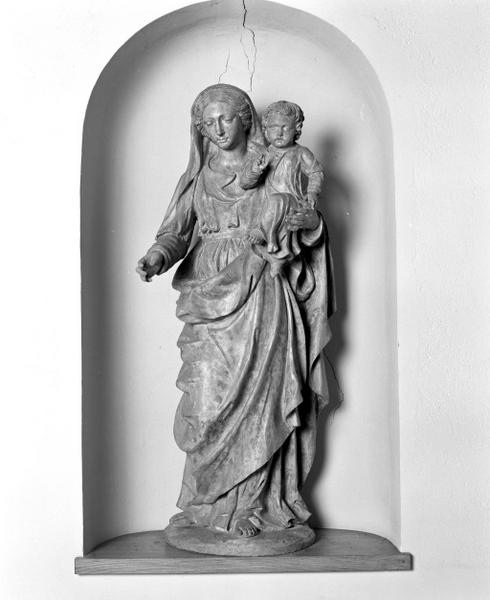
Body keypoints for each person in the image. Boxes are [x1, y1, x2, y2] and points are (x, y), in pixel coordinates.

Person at [137, 84, 334, 540]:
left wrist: (307, 222)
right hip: (208, 290)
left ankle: (253, 505)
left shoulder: (274, 167)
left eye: (226, 118)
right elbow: (175, 233)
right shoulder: (197, 178)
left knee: (263, 401)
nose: (218, 129)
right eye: (208, 123)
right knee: (206, 400)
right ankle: (206, 506)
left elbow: (302, 217)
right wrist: (157, 256)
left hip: (262, 289)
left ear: (246, 119)